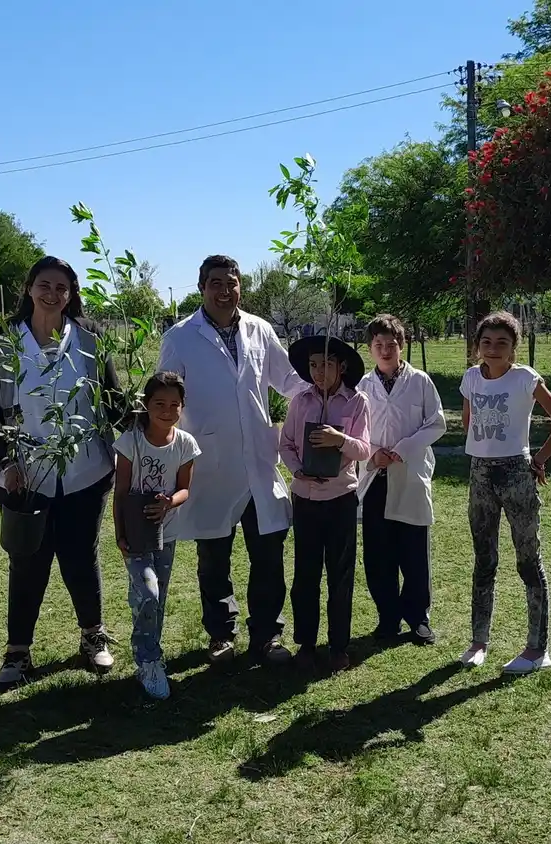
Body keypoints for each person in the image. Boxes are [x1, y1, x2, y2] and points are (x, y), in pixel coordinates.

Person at [0, 256, 127, 686]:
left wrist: (141, 419)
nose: (53, 294)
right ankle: (17, 652)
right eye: (45, 284)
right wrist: (8, 462)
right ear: (29, 288)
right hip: (25, 472)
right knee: (28, 559)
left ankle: (93, 638)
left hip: (84, 470)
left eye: (62, 287)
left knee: (81, 554)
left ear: (72, 294)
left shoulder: (90, 338)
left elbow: (110, 398)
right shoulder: (5, 340)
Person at [157, 255, 309, 665]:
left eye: (232, 282)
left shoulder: (260, 329)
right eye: (216, 283)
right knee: (214, 555)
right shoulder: (180, 337)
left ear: (241, 285)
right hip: (209, 463)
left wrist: (325, 396)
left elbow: (290, 381)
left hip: (259, 460)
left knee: (268, 552)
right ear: (202, 287)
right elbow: (165, 397)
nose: (225, 290)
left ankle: (267, 636)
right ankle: (221, 634)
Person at [458, 311, 551, 675]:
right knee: (483, 559)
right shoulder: (471, 378)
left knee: (527, 559)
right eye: (486, 342)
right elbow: (468, 422)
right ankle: (479, 641)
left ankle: (537, 649)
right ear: (477, 345)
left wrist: (538, 458)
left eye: (502, 343)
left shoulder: (525, 378)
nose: (493, 349)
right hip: (479, 473)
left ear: (514, 348)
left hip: (516, 474)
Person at [278, 335, 372, 673]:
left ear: (341, 367)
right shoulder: (300, 401)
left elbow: (364, 449)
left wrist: (340, 440)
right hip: (305, 499)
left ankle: (338, 646)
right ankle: (305, 643)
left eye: (327, 365)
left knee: (340, 573)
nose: (319, 372)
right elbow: (286, 444)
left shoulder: (357, 402)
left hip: (341, 499)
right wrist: (298, 470)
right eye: (314, 365)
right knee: (305, 573)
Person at [359, 314, 446, 646]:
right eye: (378, 345)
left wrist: (404, 448)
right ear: (370, 349)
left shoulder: (420, 380)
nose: (385, 350)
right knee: (378, 554)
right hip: (375, 476)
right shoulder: (363, 387)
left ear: (402, 345)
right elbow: (355, 432)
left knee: (414, 551)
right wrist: (372, 454)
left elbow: (436, 423)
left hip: (409, 474)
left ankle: (418, 618)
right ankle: (388, 617)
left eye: (391, 345)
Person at [113, 372, 200, 700]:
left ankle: (153, 652)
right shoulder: (130, 442)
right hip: (135, 532)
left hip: (167, 532)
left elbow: (184, 490)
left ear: (182, 407)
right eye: (159, 404)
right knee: (148, 593)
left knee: (157, 598)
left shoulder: (185, 444)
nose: (167, 410)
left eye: (174, 404)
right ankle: (146, 658)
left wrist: (168, 504)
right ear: (146, 405)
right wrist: (120, 533)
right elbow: (121, 491)